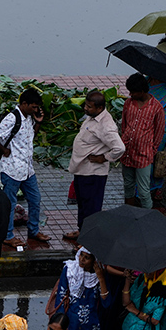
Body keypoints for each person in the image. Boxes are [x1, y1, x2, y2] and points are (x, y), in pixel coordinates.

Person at [0, 88, 49, 248]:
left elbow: (29, 137)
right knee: (9, 205)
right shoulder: (12, 118)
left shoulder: (30, 118)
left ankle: (34, 231)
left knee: (35, 200)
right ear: (24, 104)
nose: (36, 110)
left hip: (28, 170)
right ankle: (7, 236)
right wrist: (4, 150)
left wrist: (39, 122)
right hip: (12, 170)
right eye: (33, 106)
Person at [64, 91, 125, 240]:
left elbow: (120, 148)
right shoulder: (93, 117)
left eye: (89, 107)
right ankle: (82, 230)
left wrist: (104, 158)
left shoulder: (106, 125)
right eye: (86, 105)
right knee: (83, 204)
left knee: (91, 207)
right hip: (82, 170)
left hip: (93, 173)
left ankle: (88, 239)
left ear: (99, 108)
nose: (85, 108)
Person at [52, 247, 114, 330]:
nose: (82, 260)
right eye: (81, 255)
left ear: (94, 260)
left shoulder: (100, 275)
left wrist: (101, 278)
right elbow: (61, 294)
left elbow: (106, 302)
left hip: (90, 326)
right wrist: (60, 322)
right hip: (70, 323)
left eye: (87, 257)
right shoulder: (69, 270)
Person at [120, 73, 165, 210]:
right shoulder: (128, 103)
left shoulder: (156, 107)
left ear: (142, 91)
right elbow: (124, 125)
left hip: (144, 155)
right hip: (127, 152)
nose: (131, 94)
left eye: (133, 92)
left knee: (144, 191)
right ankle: (128, 213)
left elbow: (159, 131)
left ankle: (147, 218)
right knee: (128, 186)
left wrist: (152, 150)